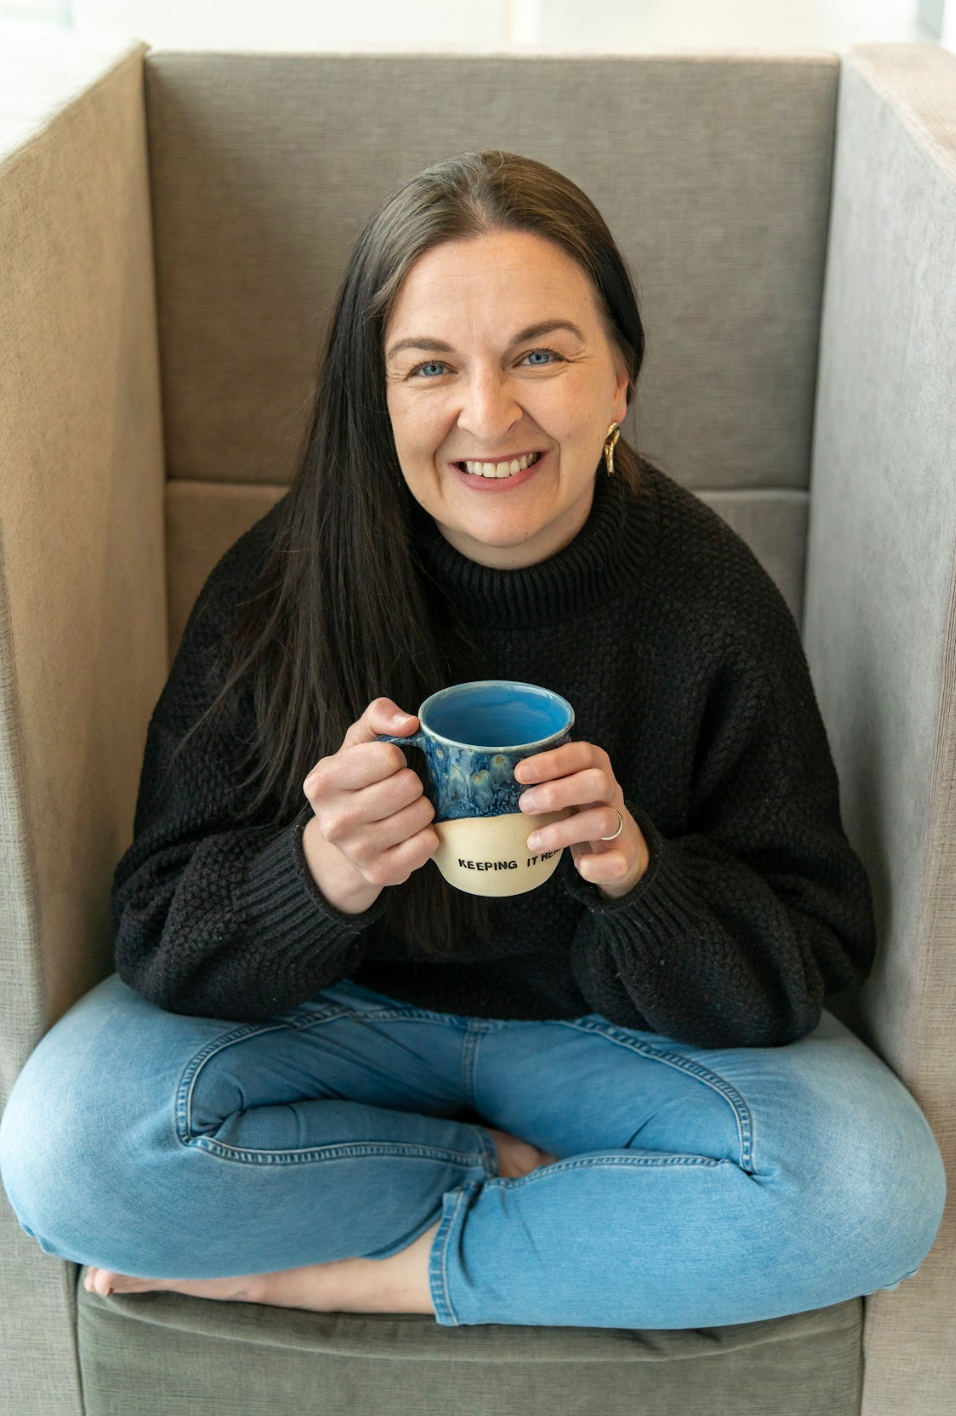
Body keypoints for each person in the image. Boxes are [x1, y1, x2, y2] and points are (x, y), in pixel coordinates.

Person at [0, 151, 945, 1330]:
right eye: (430, 367)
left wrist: (640, 880)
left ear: (619, 380)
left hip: (604, 1048)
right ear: (377, 398)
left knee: (869, 1193)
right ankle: (505, 1181)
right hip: (335, 1028)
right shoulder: (281, 582)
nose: (488, 416)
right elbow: (153, 929)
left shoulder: (707, 601)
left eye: (539, 355)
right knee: (69, 1158)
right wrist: (317, 873)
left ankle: (358, 1275)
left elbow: (811, 953)